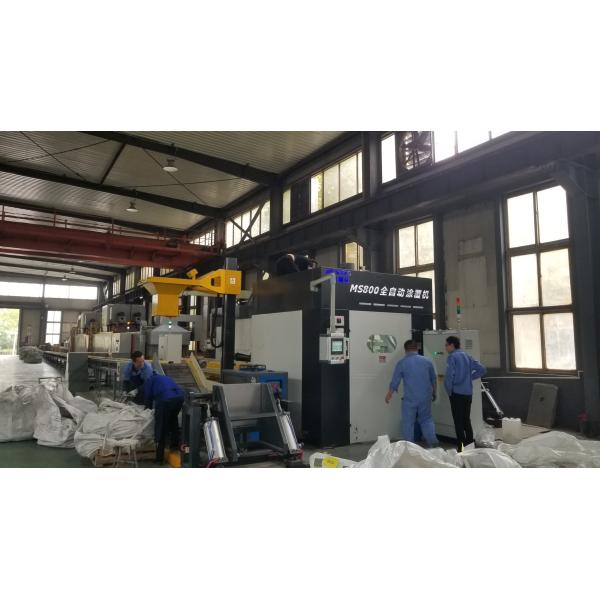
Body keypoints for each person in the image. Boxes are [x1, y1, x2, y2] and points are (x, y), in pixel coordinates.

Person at [385, 340, 439, 447]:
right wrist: (434, 392)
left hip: (410, 398)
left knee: (408, 422)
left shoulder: (402, 363)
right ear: (417, 348)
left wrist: (389, 394)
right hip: (425, 397)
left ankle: (410, 448)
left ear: (405, 350)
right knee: (426, 420)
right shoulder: (427, 361)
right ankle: (433, 444)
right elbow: (433, 379)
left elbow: (395, 381)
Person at [444, 335, 487, 452]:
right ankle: (470, 447)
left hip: (456, 394)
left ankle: (461, 448)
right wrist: (469, 378)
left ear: (452, 345)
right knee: (466, 420)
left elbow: (449, 377)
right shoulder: (467, 356)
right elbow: (482, 369)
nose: (445, 348)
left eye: (446, 345)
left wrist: (449, 390)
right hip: (468, 393)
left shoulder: (452, 357)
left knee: (458, 422)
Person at [142, 373, 185, 463]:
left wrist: (146, 411)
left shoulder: (148, 380)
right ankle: (174, 445)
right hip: (179, 398)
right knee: (173, 420)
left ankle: (159, 458)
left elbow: (148, 397)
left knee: (160, 427)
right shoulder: (164, 377)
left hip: (165, 399)